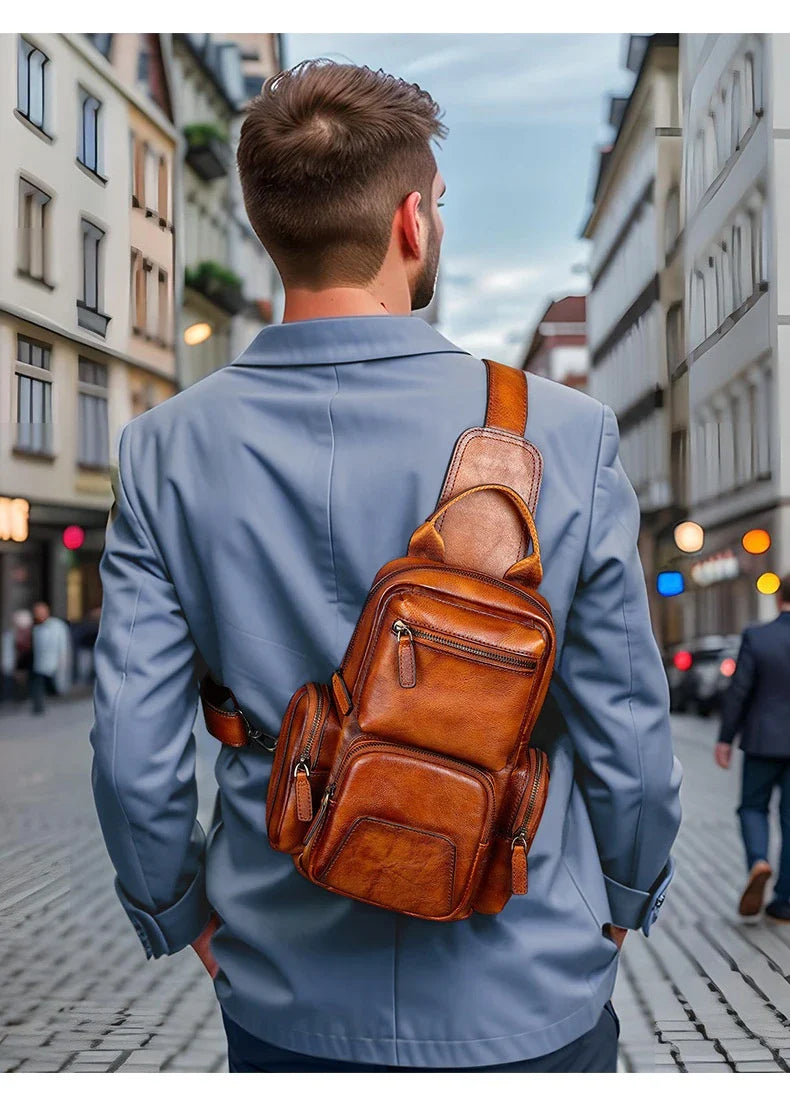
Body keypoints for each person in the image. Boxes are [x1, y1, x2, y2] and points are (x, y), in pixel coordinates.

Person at [89, 59, 682, 1073]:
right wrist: (620, 903)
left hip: (284, 985)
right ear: (413, 221)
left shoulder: (164, 448)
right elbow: (626, 722)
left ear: (272, 229)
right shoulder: (565, 432)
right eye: (439, 204)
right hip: (528, 976)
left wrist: (178, 912)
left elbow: (132, 750)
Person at [715, 574, 790, 923]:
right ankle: (784, 902)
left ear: (779, 598)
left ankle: (758, 860)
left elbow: (739, 691)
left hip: (762, 740)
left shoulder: (757, 637)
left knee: (752, 808)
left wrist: (726, 738)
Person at [30, 601, 71, 715]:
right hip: (40, 664)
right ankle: (39, 707)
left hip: (54, 663)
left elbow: (63, 645)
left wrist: (63, 661)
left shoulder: (57, 625)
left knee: (55, 686)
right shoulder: (36, 627)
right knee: (39, 684)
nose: (38, 614)